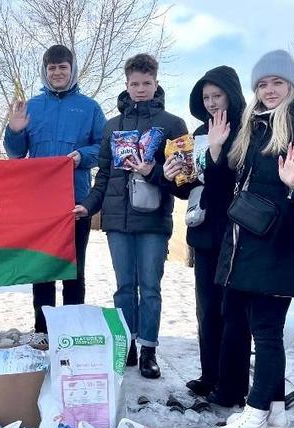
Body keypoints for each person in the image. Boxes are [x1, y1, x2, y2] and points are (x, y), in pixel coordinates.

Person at [208, 50, 294, 428]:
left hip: (280, 247)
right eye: (262, 84)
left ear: (291, 86)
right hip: (245, 244)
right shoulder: (253, 127)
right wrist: (215, 151)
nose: (269, 90)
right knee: (259, 327)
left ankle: (257, 413)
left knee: (265, 333)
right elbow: (224, 186)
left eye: (277, 83)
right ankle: (276, 412)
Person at [74, 53, 187, 378]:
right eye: (134, 84)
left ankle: (149, 349)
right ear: (126, 84)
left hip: (153, 221)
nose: (140, 89)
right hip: (117, 222)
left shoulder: (172, 125)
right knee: (124, 287)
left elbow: (183, 182)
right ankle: (129, 346)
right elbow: (104, 177)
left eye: (146, 83)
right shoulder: (112, 126)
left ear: (156, 82)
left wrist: (155, 172)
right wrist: (88, 205)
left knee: (149, 287)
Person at [4, 44, 106, 333]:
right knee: (43, 271)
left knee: (74, 271)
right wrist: (14, 130)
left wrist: (82, 156)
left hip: (76, 202)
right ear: (44, 71)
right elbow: (15, 153)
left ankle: (72, 331)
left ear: (72, 70)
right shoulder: (31, 107)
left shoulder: (89, 107)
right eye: (52, 68)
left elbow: (104, 148)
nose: (57, 73)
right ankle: (43, 332)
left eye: (63, 67)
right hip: (39, 206)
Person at [180, 67, 252, 405]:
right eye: (206, 98)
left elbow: (226, 185)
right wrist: (172, 177)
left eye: (217, 96)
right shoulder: (199, 132)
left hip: (235, 234)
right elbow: (195, 185)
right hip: (205, 233)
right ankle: (210, 375)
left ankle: (233, 385)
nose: (211, 103)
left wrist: (217, 152)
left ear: (231, 95)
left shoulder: (248, 130)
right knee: (207, 309)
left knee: (232, 312)